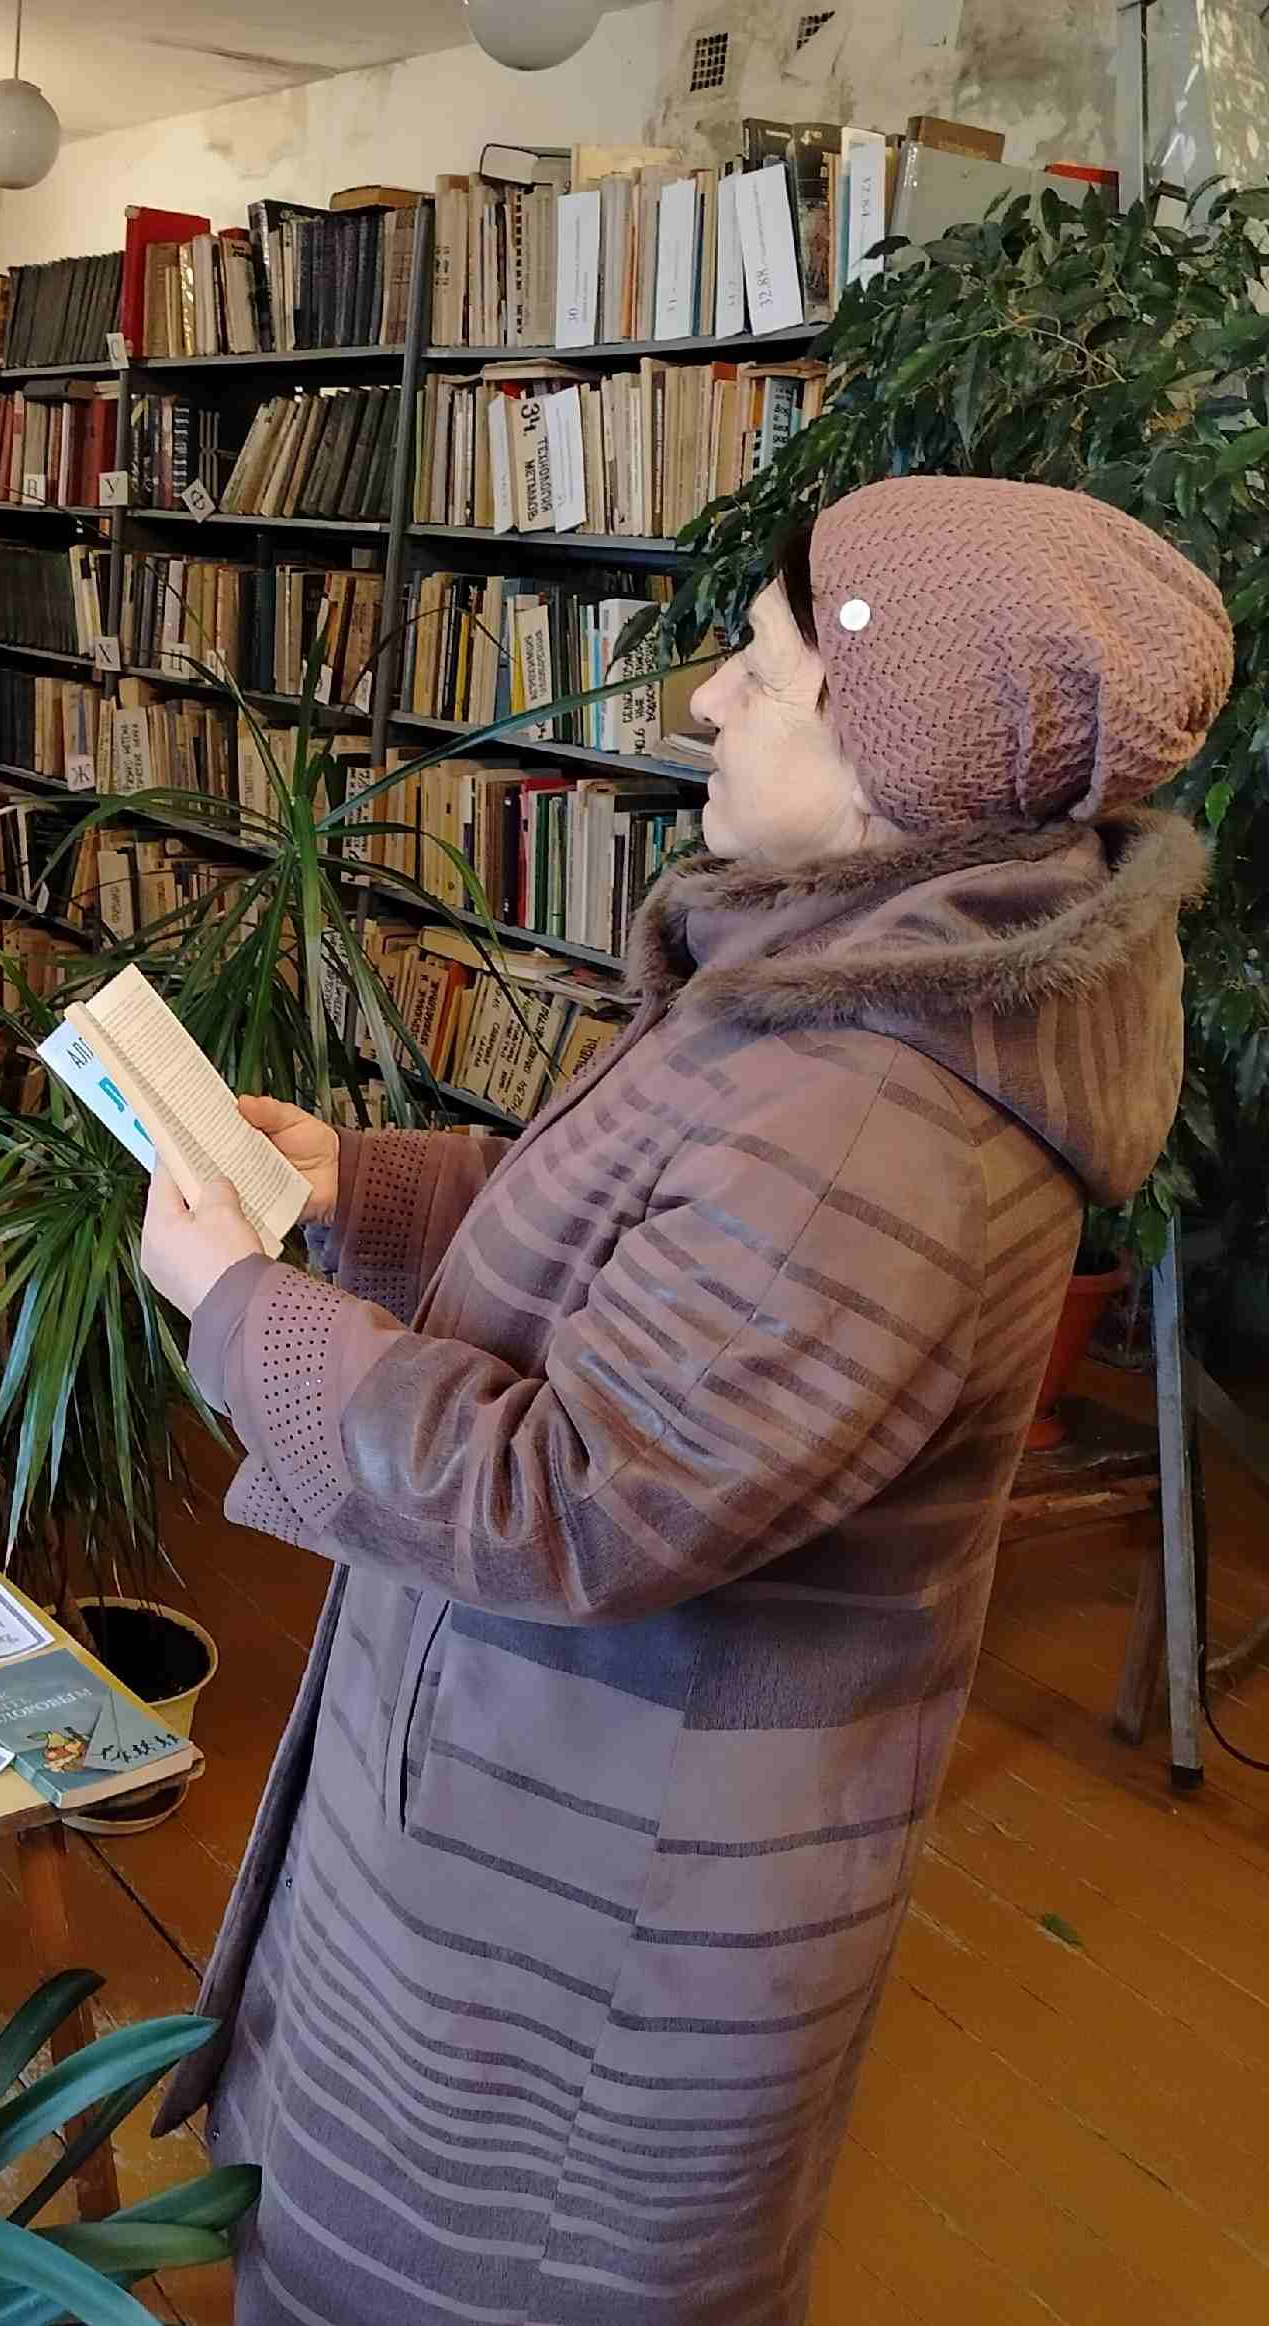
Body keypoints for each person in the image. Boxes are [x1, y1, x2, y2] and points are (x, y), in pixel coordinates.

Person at [135, 476, 1232, 2326]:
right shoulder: (842, 984)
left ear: (896, 766)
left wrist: (241, 1314)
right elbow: (648, 1259)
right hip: (543, 1795)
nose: (709, 699)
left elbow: (570, 1500)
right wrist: (360, 1189)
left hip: (596, 1897)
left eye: (769, 671)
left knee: (474, 2275)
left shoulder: (878, 1117)